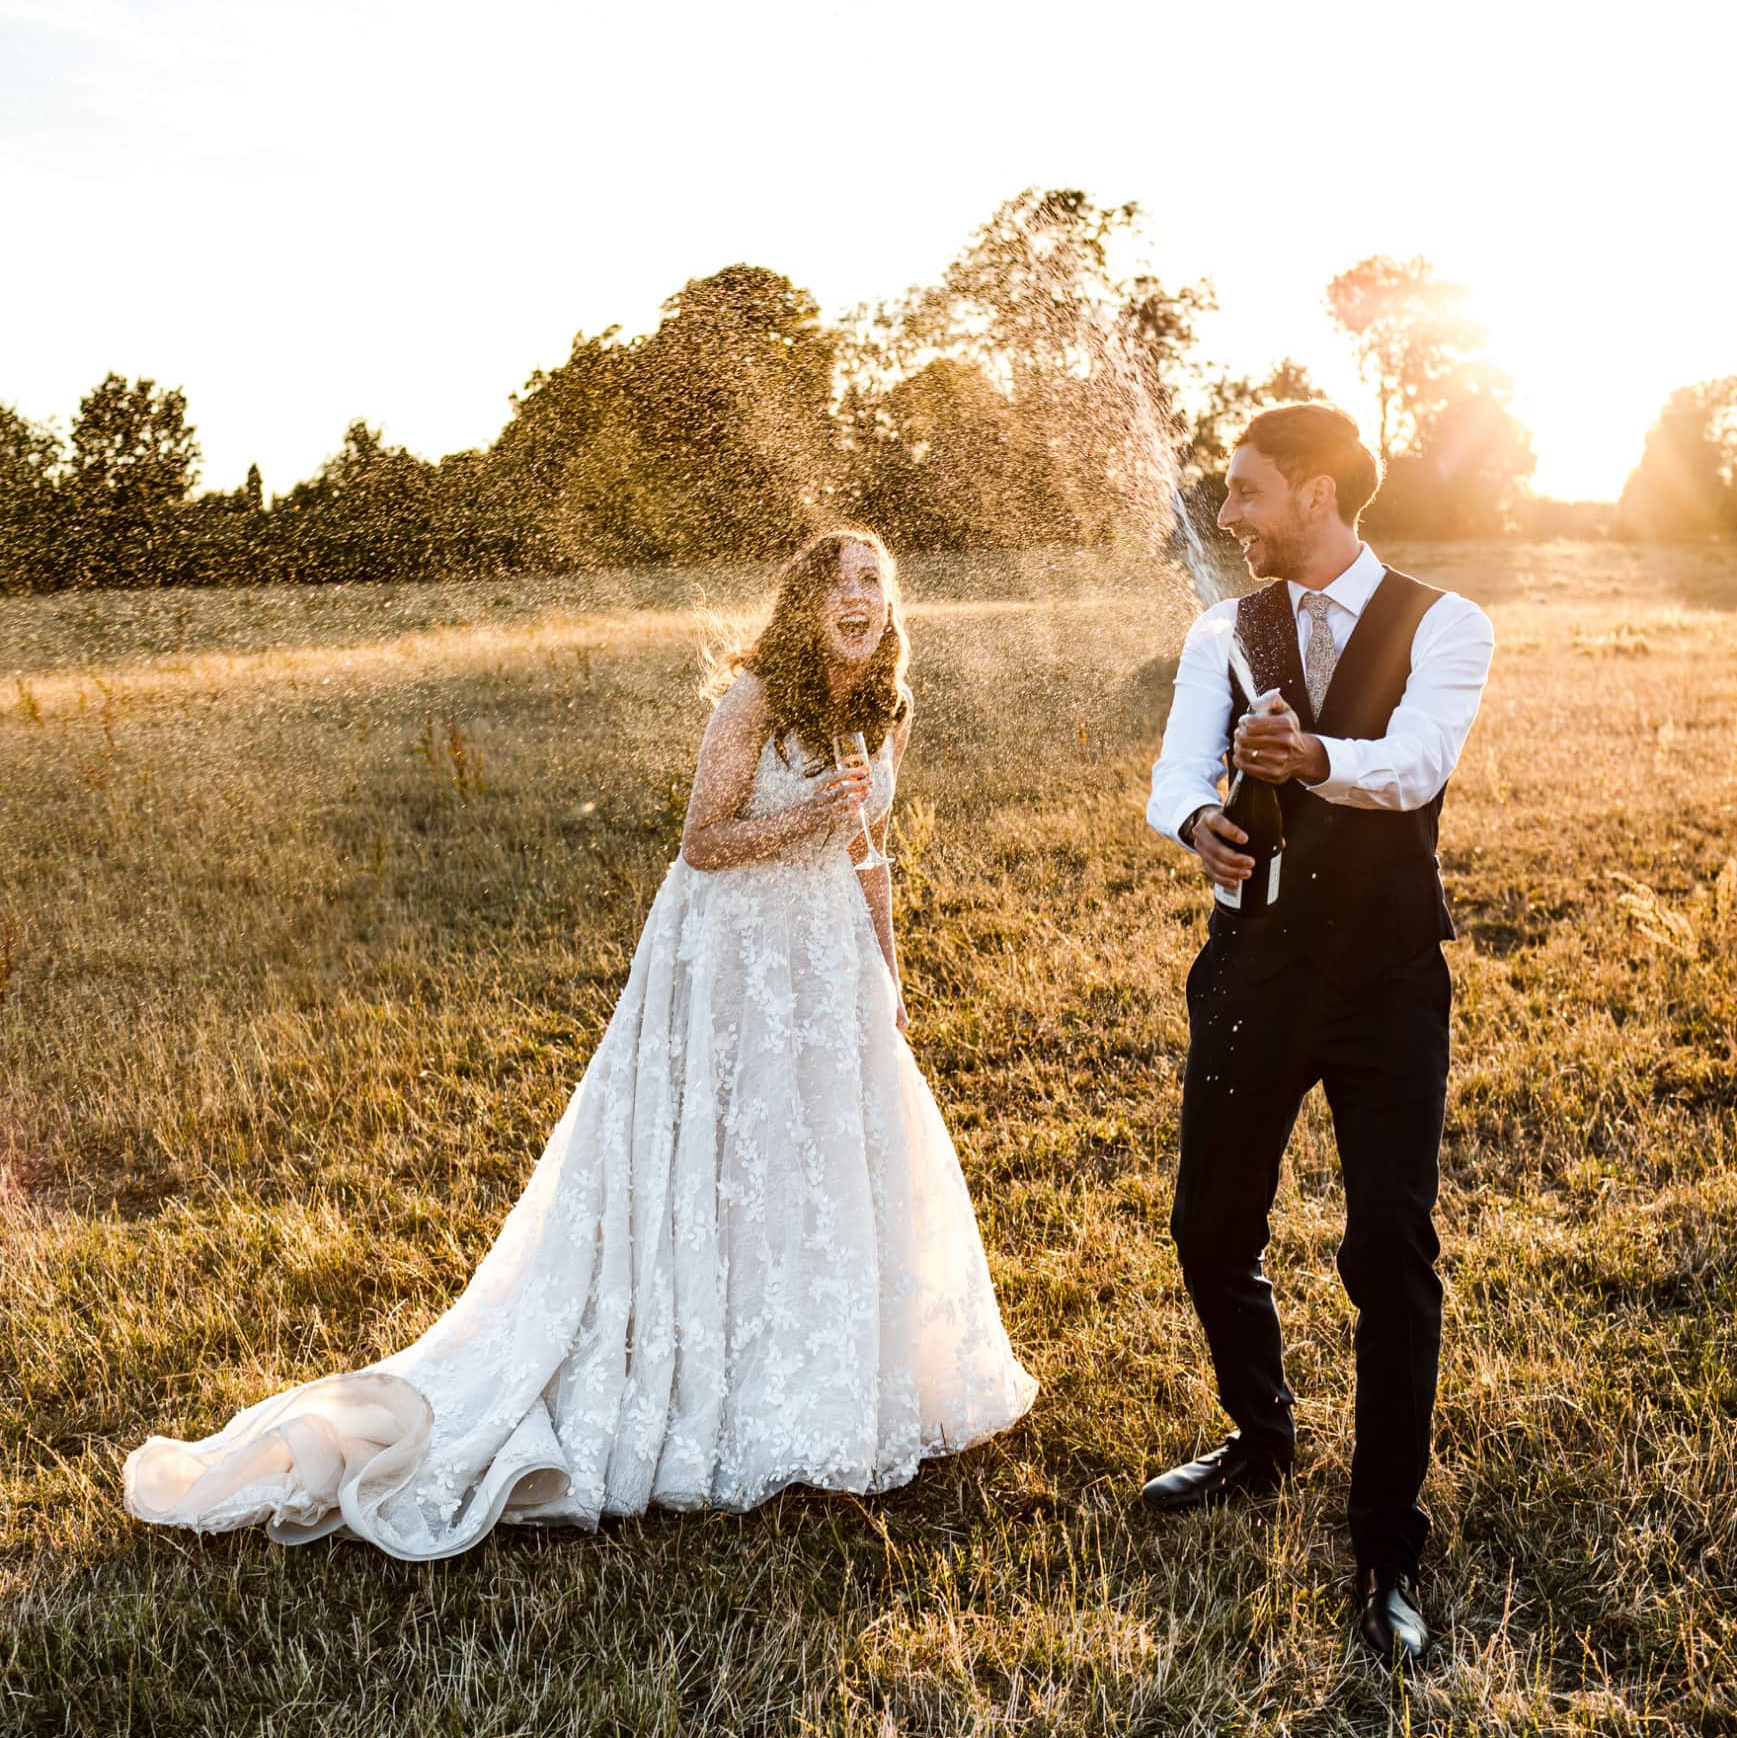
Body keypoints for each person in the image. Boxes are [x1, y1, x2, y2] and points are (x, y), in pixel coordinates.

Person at [124, 530, 1036, 1559]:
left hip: (825, 963)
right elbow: (702, 843)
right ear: (803, 605)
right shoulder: (755, 703)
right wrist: (802, 823)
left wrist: (888, 965)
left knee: (820, 1161)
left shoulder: (885, 707)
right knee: (721, 1162)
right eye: (840, 583)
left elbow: (869, 848)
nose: (861, 598)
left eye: (875, 579)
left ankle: (822, 1386)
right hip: (727, 958)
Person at [1143, 405, 1494, 1668]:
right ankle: (1261, 1435)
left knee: (1388, 1248)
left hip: (1389, 980)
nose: (1230, 517)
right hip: (1256, 967)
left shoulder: (1447, 622)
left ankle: (1387, 1542)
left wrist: (1314, 756)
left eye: (1246, 494)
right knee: (1208, 1223)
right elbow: (1170, 776)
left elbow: (1416, 762)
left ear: (1319, 489)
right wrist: (1200, 826)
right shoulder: (1219, 631)